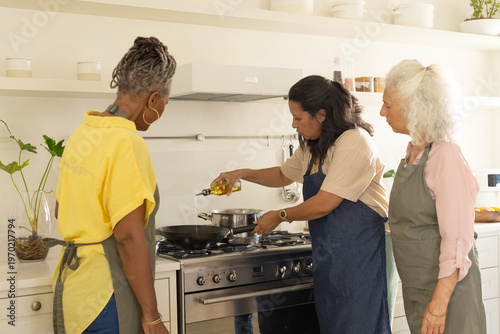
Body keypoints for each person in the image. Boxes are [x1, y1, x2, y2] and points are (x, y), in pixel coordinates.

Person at [212, 75, 391, 334]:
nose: (294, 124)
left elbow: (325, 203)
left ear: (321, 115)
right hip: (331, 263)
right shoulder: (314, 145)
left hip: (363, 262)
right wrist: (241, 173)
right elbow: (284, 175)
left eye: (298, 117)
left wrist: (281, 214)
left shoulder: (355, 142)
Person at [43, 36, 176, 334]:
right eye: (166, 100)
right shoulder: (126, 142)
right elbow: (128, 236)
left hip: (73, 291)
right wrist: (152, 316)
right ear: (153, 99)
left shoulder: (83, 131)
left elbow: (61, 209)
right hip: (108, 297)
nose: (164, 107)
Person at [380, 59, 486, 334]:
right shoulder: (413, 152)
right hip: (419, 290)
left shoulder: (445, 155)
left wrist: (438, 305)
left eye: (388, 105)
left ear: (413, 107)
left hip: (447, 294)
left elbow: (458, 239)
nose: (382, 112)